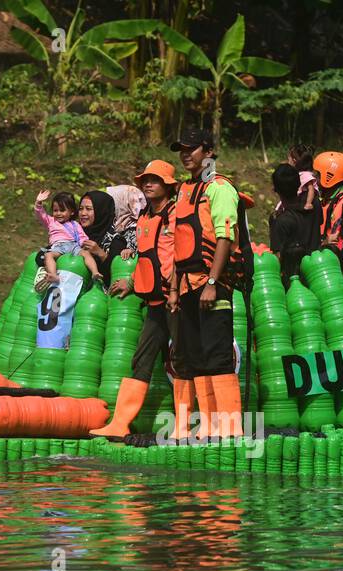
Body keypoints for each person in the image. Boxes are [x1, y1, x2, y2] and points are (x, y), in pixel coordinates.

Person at [91, 160, 184, 439]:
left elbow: (181, 255)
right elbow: (147, 258)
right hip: (154, 303)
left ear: (168, 184)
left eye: (154, 179)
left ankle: (182, 426)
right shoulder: (143, 216)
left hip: (176, 300)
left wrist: (176, 290)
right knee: (141, 359)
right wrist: (132, 282)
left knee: (181, 360)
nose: (148, 184)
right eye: (145, 180)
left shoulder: (178, 214)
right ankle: (120, 424)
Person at [170, 127, 247, 439]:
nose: (186, 154)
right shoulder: (185, 191)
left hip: (213, 283)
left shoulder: (220, 188)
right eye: (182, 149)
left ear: (209, 151)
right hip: (188, 285)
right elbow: (180, 243)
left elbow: (225, 236)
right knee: (192, 355)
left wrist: (213, 282)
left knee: (216, 353)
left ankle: (230, 426)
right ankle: (205, 424)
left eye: (192, 148)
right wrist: (175, 289)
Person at [34, 189, 96, 289]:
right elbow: (40, 214)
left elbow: (81, 236)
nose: (58, 213)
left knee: (86, 254)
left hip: (73, 245)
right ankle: (53, 274)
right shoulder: (51, 221)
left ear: (71, 212)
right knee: (48, 255)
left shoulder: (75, 224)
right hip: (58, 247)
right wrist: (38, 203)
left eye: (62, 210)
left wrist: (84, 244)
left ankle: (95, 272)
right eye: (55, 210)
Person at [269, 163, 320, 285]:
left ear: (275, 190)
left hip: (294, 284)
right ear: (299, 184)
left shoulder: (280, 221)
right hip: (317, 275)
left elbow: (277, 258)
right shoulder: (315, 206)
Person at [78, 190, 137, 287]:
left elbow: (115, 275)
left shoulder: (115, 240)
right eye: (80, 209)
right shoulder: (75, 232)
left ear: (101, 211)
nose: (83, 213)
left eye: (88, 209)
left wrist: (100, 253)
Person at [314, 150, 343, 255]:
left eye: (318, 175)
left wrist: (323, 244)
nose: (315, 178)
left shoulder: (342, 201)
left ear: (328, 177)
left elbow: (334, 239)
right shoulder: (327, 198)